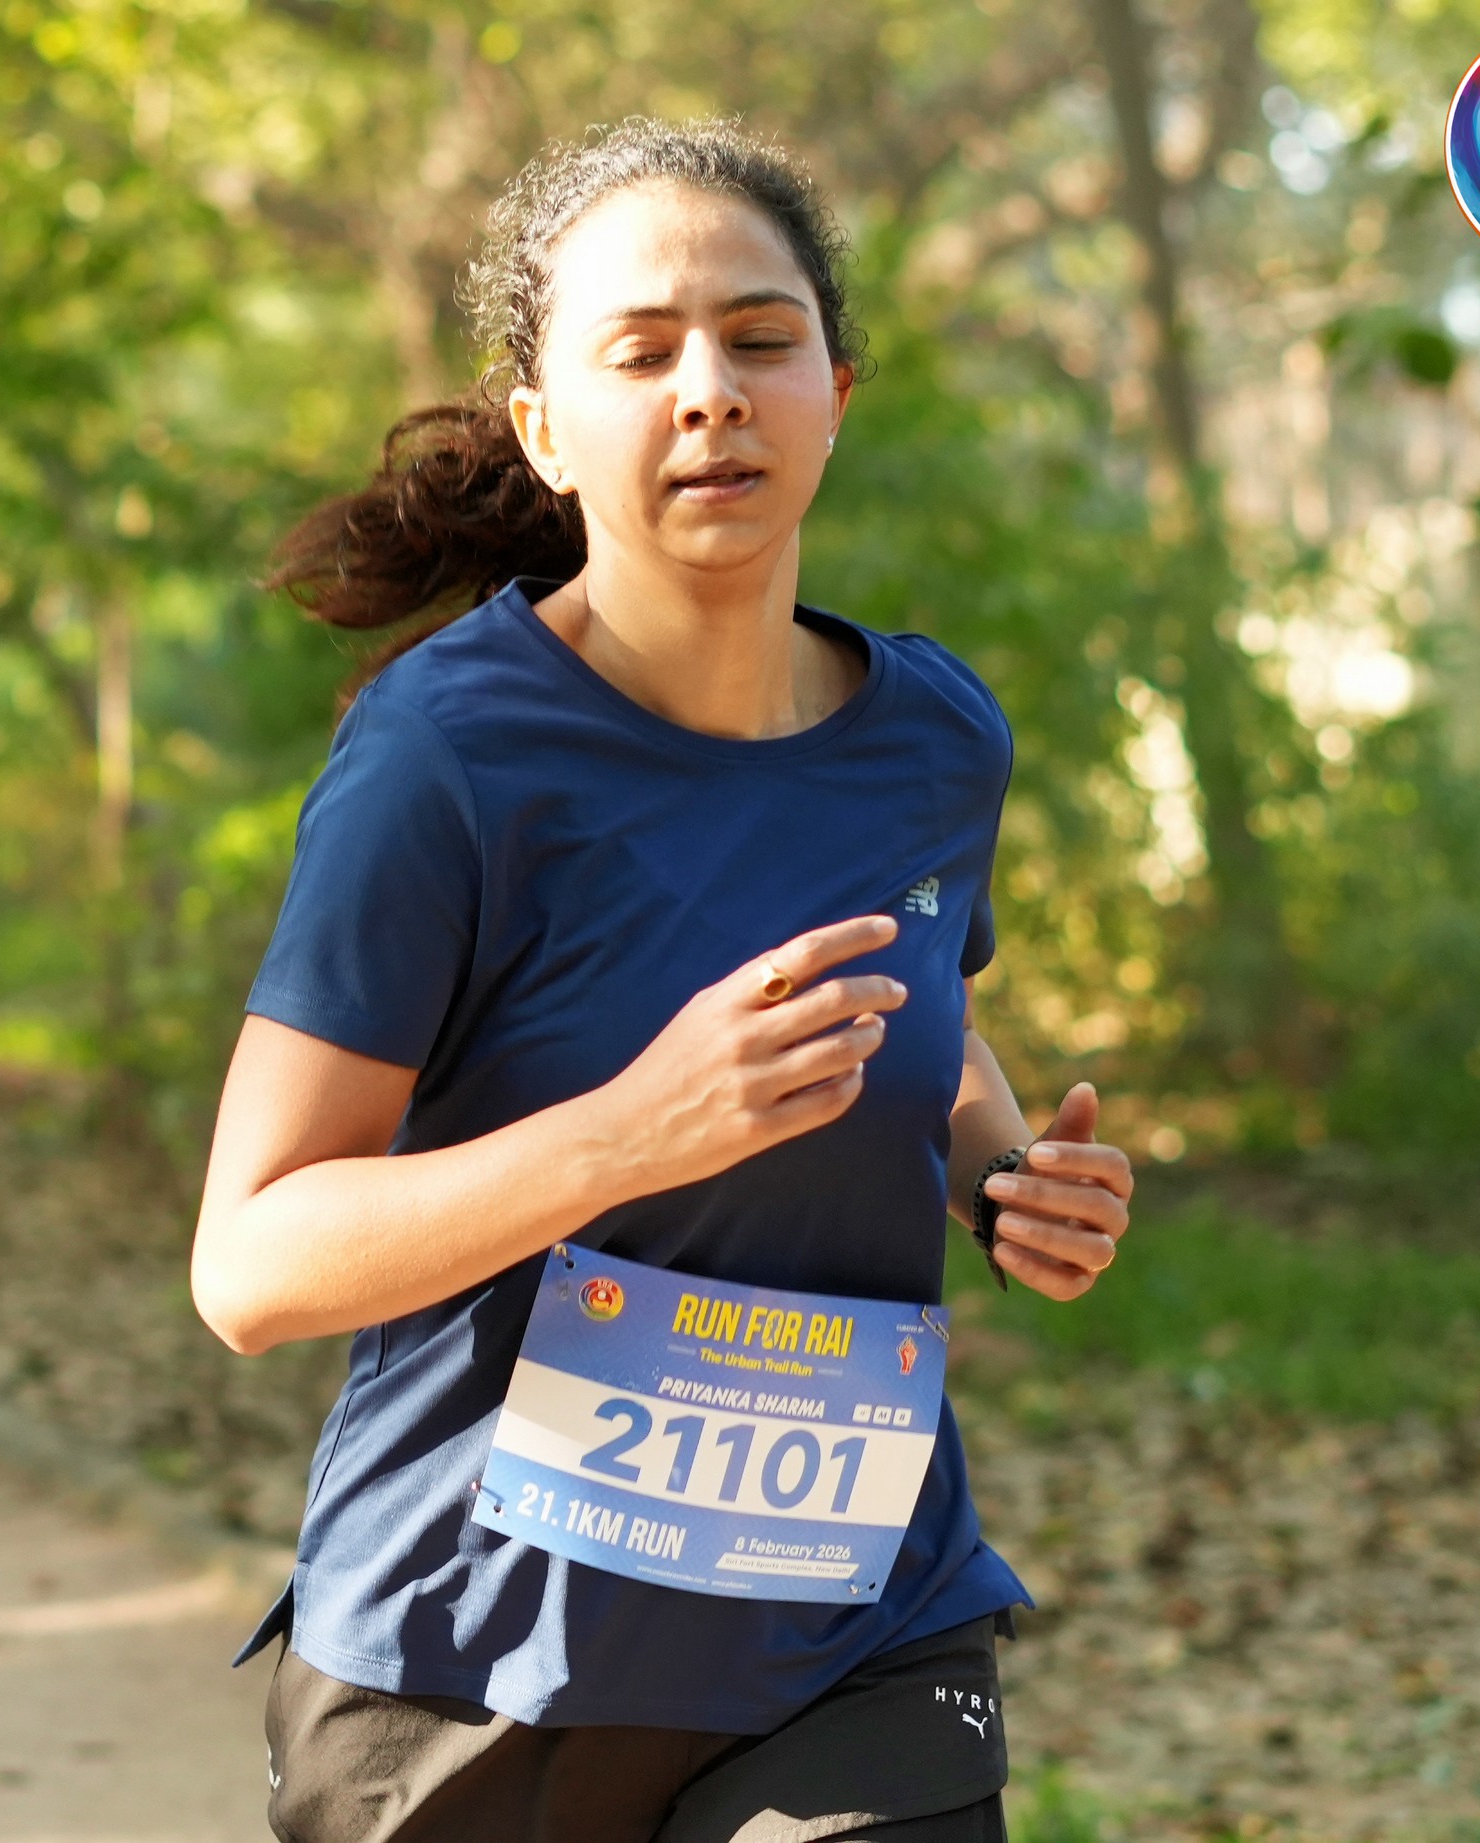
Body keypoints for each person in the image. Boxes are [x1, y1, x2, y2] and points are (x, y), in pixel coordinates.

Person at [190, 119, 1136, 1843]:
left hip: (850, 1618)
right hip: (480, 1657)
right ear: (545, 428)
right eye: (640, 353)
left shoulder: (932, 735)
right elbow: (249, 1263)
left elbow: (925, 1017)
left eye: (761, 339)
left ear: (834, 395)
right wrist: (630, 1131)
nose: (711, 391)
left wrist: (1001, 1174)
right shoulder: (446, 754)